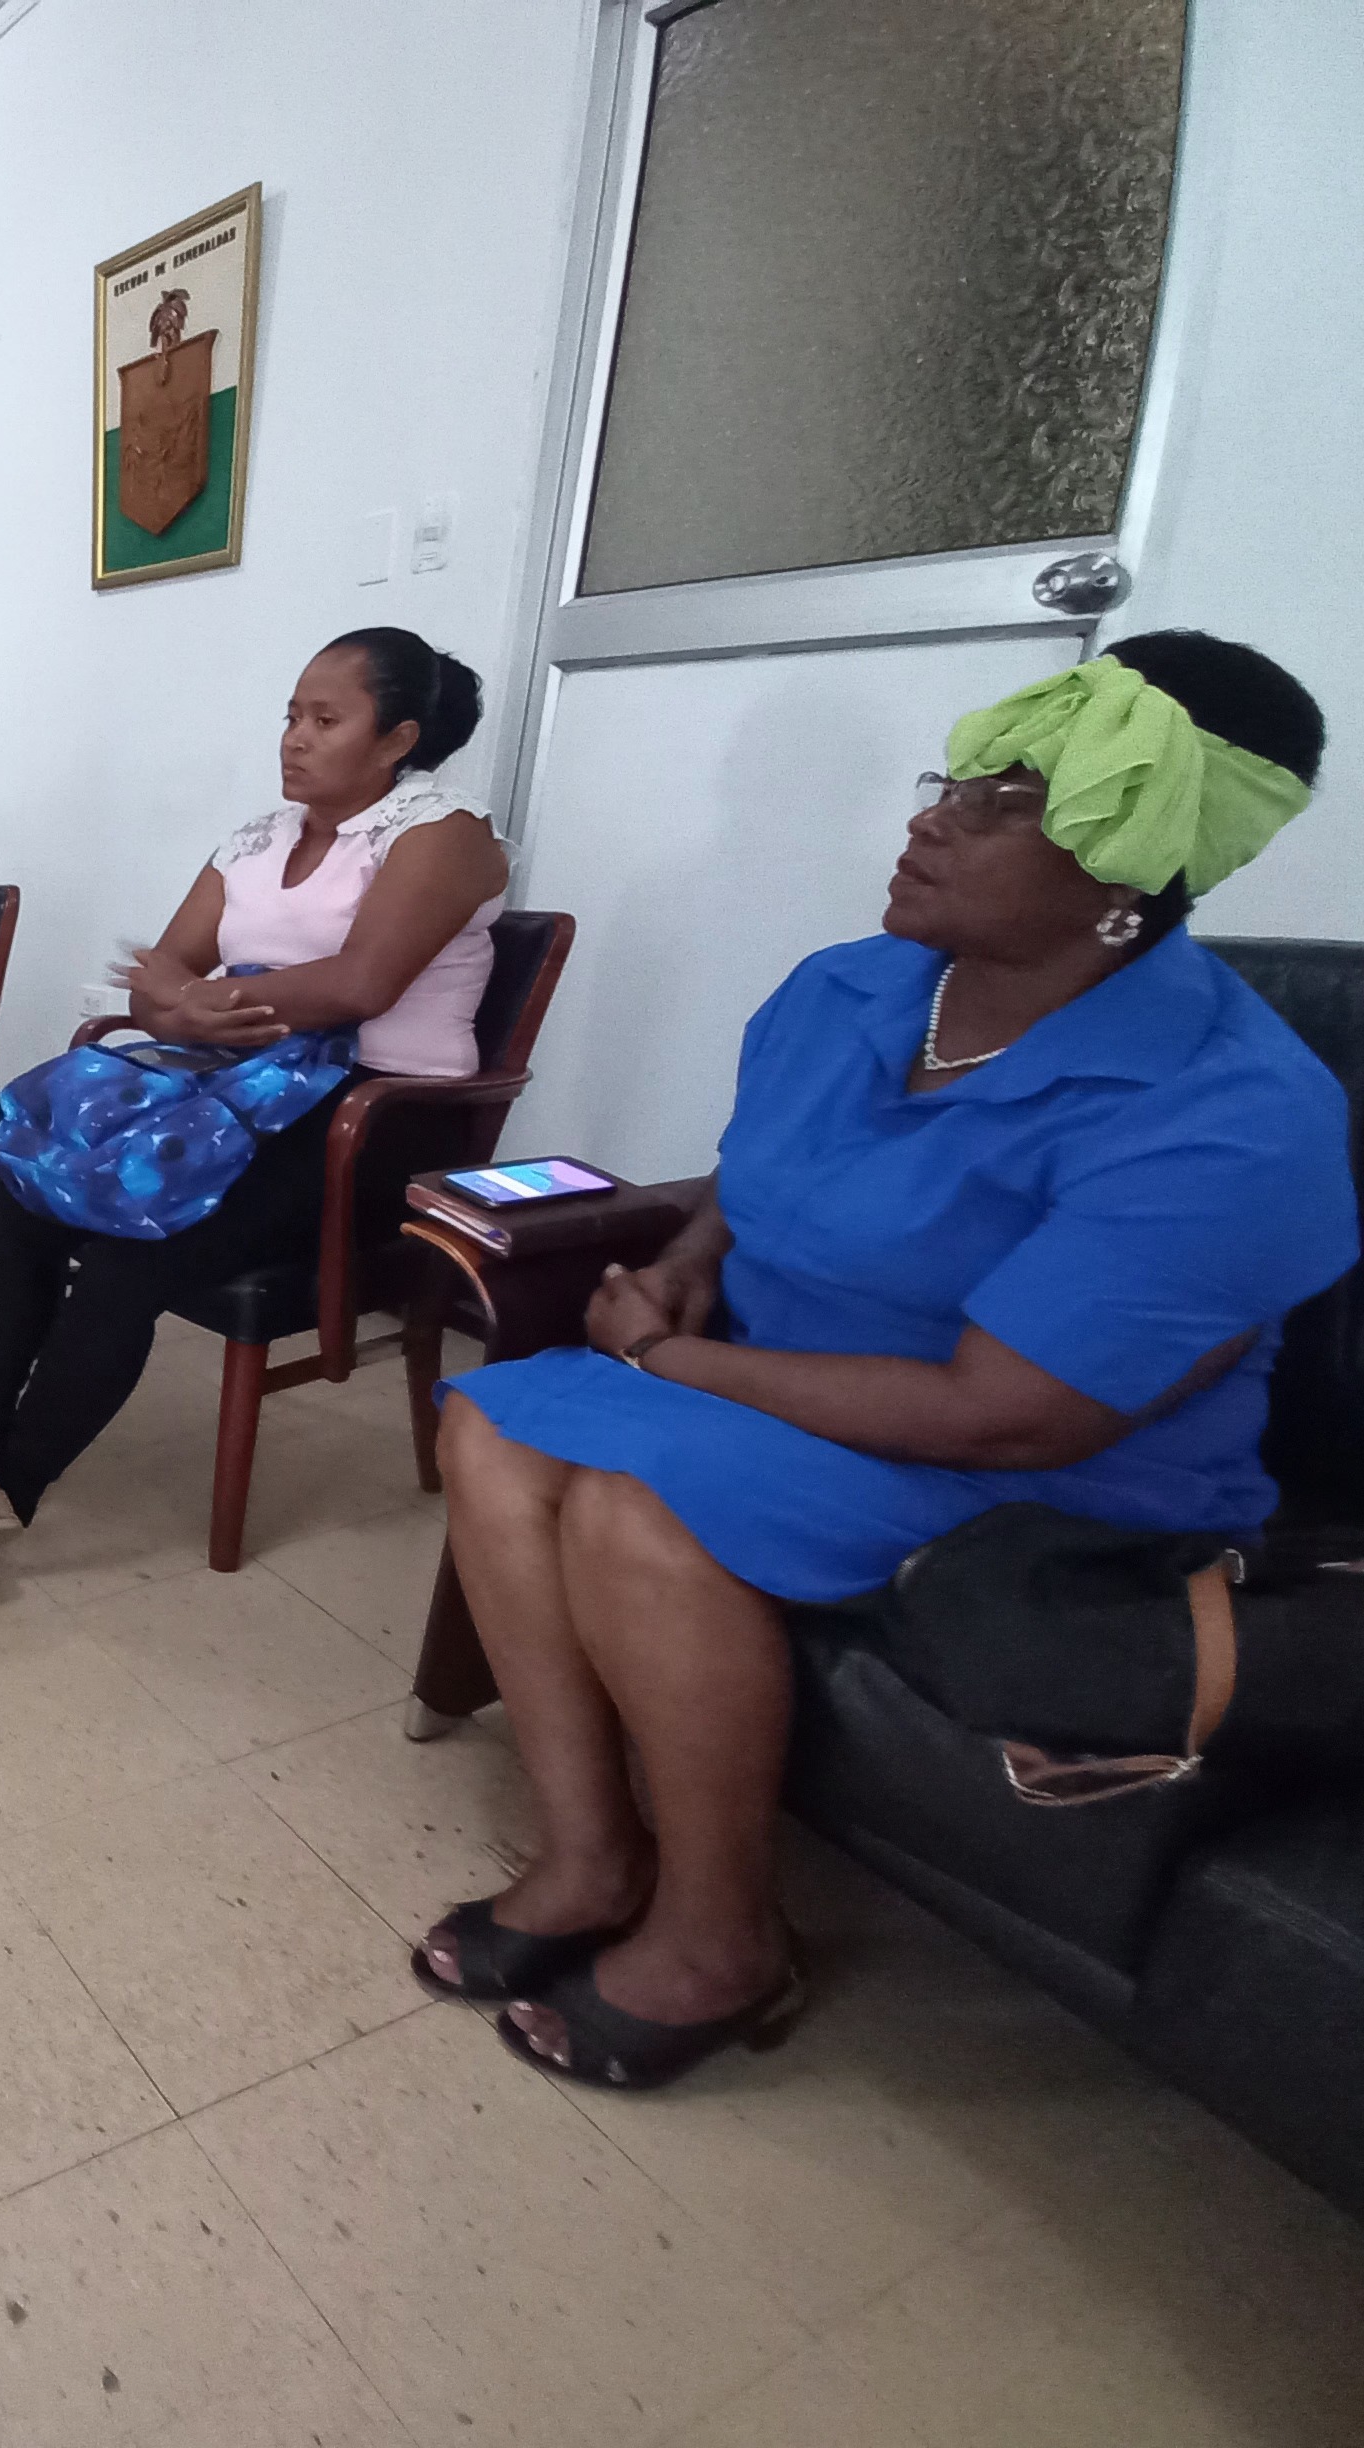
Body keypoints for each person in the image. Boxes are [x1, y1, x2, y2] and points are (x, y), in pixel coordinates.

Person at [424, 630, 1351, 2090]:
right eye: (953, 783)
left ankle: (721, 1938)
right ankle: (595, 1857)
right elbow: (756, 1171)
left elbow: (1008, 1418)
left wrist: (675, 1366)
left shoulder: (1231, 1110)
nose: (934, 822)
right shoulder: (853, 986)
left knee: (635, 1505)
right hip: (797, 1403)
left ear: (1130, 867)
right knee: (491, 1431)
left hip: (1049, 1495)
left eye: (1005, 803)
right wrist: (692, 1258)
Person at [0, 627, 508, 1558]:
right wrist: (187, 1008)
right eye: (291, 715)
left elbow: (362, 984)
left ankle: (7, 1488)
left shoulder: (446, 834)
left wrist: (198, 1003)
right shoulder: (259, 837)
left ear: (398, 739)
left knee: (131, 1256)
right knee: (10, 1209)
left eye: (326, 720)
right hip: (240, 1094)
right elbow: (158, 975)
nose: (295, 737)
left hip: (373, 1119)